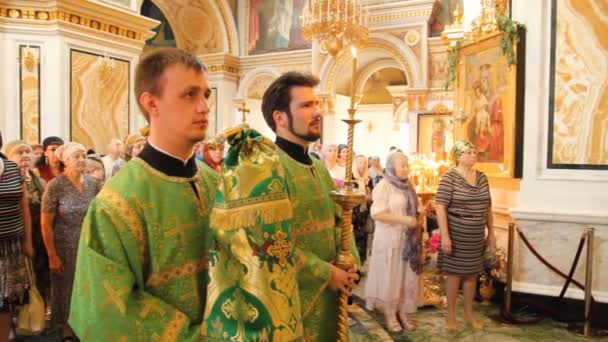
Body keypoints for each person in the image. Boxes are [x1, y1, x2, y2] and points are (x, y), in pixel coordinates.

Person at [68, 47, 219, 341]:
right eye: (190, 94)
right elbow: (107, 313)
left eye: (206, 95)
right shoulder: (117, 203)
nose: (204, 107)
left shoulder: (216, 183)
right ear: (152, 103)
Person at [40, 142, 101, 340]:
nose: (82, 160)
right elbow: (46, 224)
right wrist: (52, 255)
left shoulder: (93, 184)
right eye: (77, 156)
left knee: (89, 288)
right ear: (65, 161)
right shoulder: (55, 186)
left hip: (89, 245)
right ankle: (67, 332)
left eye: (84, 156)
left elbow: (100, 215)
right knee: (67, 290)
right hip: (65, 247)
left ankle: (87, 329)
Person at [436, 140, 495, 331]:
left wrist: (491, 232)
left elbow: (488, 206)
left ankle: (469, 314)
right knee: (454, 275)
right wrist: (445, 236)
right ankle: (451, 315)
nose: (473, 155)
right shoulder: (449, 178)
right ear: (458, 156)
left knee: (471, 275)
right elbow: (440, 207)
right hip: (456, 232)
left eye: (474, 152)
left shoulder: (482, 177)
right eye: (469, 152)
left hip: (475, 234)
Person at [364, 151, 421, 332]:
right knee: (391, 276)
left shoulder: (408, 186)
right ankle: (390, 312)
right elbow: (377, 213)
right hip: (389, 240)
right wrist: (406, 220)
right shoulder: (383, 186)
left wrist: (420, 214)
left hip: (407, 240)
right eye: (402, 165)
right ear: (391, 167)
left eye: (407, 165)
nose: (406, 168)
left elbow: (415, 208)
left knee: (405, 275)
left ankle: (403, 311)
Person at [6, 141, 50, 307]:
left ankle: (40, 312)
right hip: (18, 234)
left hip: (41, 233)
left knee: (41, 274)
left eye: (27, 152)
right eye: (20, 152)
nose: (25, 155)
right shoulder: (8, 179)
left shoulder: (37, 178)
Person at [0, 131, 33, 341]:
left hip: (12, 244)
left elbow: (25, 209)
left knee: (7, 300)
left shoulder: (13, 168)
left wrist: (28, 241)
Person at [352, 154, 371, 264]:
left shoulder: (367, 180)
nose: (363, 165)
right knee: (353, 239)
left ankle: (361, 262)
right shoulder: (351, 178)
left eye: (365, 163)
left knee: (363, 239)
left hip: (364, 213)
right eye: (360, 162)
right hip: (354, 214)